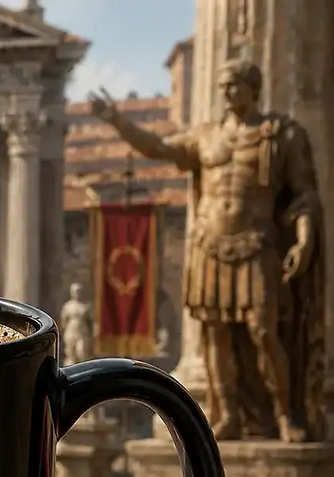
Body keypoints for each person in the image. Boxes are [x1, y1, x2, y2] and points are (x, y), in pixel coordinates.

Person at [88, 58, 326, 442]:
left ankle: (286, 412)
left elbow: (304, 195)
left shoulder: (280, 135)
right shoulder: (205, 136)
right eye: (223, 86)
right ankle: (227, 413)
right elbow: (158, 148)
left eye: (234, 84)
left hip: (257, 243)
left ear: (254, 88)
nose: (227, 92)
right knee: (214, 335)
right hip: (209, 244)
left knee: (264, 331)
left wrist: (304, 239)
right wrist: (116, 120)